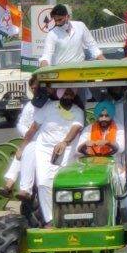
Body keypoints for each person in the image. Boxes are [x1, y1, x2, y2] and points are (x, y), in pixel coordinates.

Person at [18, 88, 85, 225]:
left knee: (62, 183)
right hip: (44, 150)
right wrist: (22, 147)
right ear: (60, 94)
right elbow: (33, 129)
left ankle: (68, 216)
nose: (67, 95)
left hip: (66, 150)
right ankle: (50, 220)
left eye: (70, 93)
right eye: (65, 92)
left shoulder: (77, 111)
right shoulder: (48, 107)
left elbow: (76, 128)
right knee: (43, 183)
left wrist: (64, 142)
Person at [0, 76, 42, 198]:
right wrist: (27, 133)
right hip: (31, 139)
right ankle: (9, 185)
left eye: (37, 87)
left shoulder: (48, 105)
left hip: (44, 141)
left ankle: (16, 186)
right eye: (33, 88)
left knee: (24, 151)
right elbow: (21, 124)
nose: (35, 90)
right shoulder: (29, 106)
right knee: (20, 155)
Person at [39, 5, 104, 67]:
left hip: (79, 71)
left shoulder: (80, 26)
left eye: (60, 20)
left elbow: (93, 47)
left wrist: (105, 63)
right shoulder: (52, 34)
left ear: (68, 17)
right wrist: (43, 67)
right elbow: (46, 56)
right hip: (61, 72)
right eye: (55, 20)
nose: (57, 23)